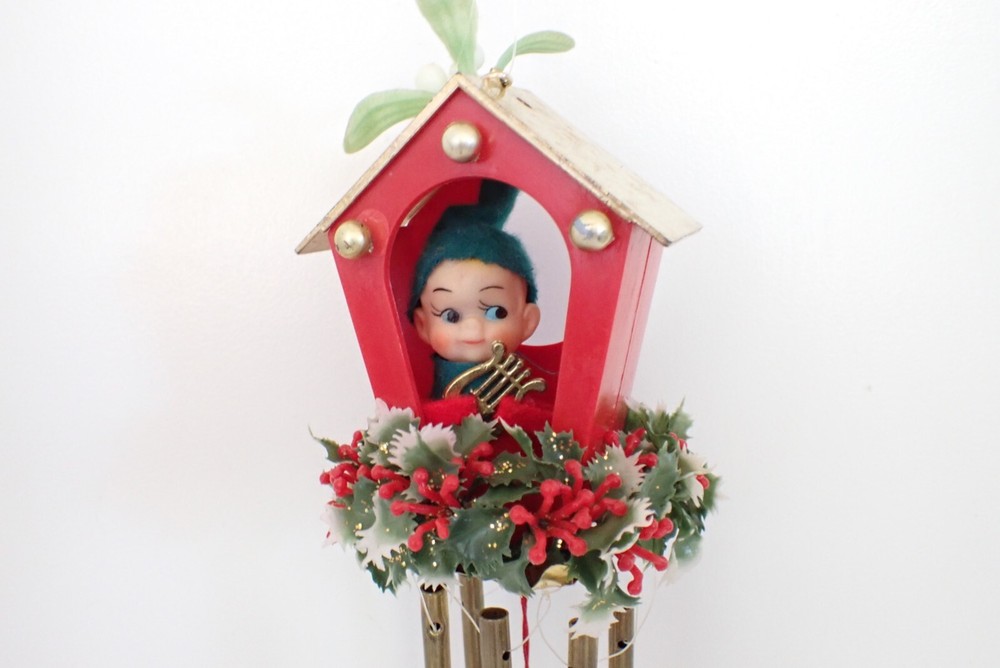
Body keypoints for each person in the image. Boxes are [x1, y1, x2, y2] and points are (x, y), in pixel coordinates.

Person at [409, 180, 541, 398]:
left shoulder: (517, 374)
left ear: (527, 321)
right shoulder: (422, 382)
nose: (472, 330)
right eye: (451, 316)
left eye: (496, 312)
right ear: (423, 325)